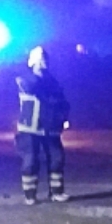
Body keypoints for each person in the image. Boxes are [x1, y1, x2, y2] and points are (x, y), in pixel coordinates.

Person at [16, 46, 71, 205]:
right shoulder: (25, 79)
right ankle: (30, 195)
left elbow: (62, 101)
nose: (45, 62)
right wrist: (38, 71)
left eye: (46, 59)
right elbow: (32, 87)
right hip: (30, 128)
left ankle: (56, 192)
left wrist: (63, 117)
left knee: (57, 159)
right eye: (41, 59)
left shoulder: (52, 81)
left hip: (50, 128)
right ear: (33, 61)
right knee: (31, 160)